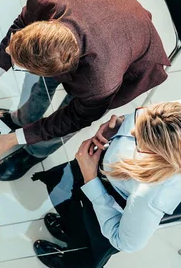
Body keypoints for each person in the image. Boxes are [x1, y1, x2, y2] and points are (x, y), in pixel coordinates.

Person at [0, 0, 170, 181]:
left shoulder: (100, 83)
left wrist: (15, 139)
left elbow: (74, 118)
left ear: (55, 71)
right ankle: (22, 118)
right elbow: (21, 23)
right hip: (101, 13)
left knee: (69, 114)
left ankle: (35, 152)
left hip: (128, 52)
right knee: (39, 87)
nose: (8, 51)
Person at [32, 102, 181, 267]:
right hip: (101, 173)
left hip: (112, 205)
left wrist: (90, 179)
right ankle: (74, 231)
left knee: (91, 248)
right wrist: (121, 124)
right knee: (72, 208)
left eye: (139, 138)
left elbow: (123, 242)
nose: (131, 131)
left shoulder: (151, 193)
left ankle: (70, 262)